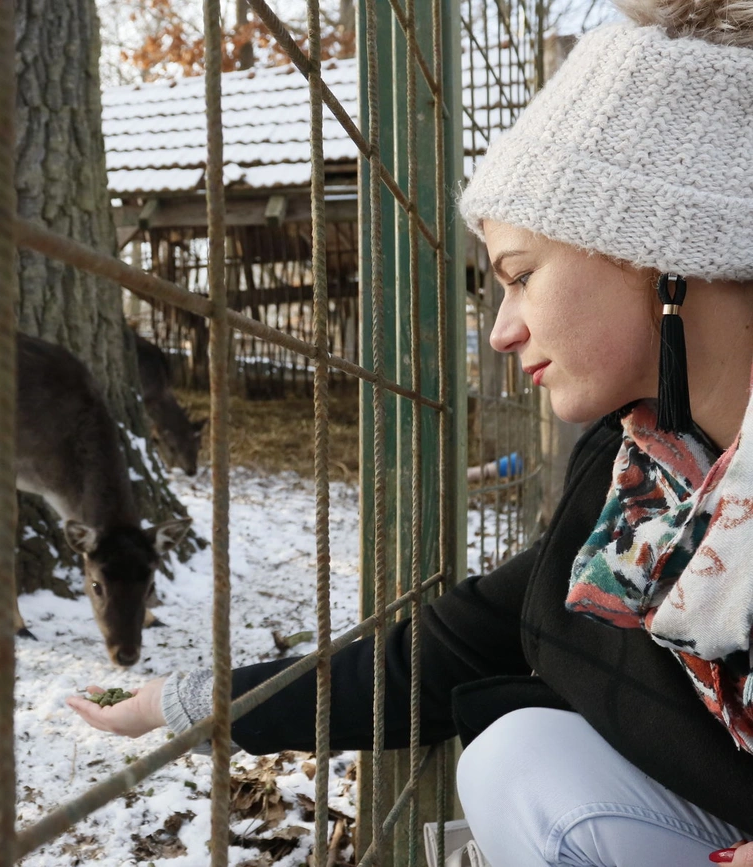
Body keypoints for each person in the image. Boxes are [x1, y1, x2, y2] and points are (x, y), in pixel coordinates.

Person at [67, 0, 753, 863]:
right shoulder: (642, 480)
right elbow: (452, 643)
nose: (501, 330)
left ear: (661, 249)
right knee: (520, 759)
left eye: (520, 275)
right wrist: (196, 701)